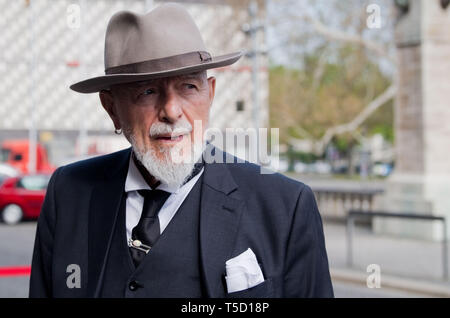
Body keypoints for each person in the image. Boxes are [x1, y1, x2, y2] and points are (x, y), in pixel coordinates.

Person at [29, 3, 333, 298]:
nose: (172, 111)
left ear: (210, 93)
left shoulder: (285, 207)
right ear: (112, 109)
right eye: (147, 91)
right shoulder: (69, 192)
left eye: (189, 87)